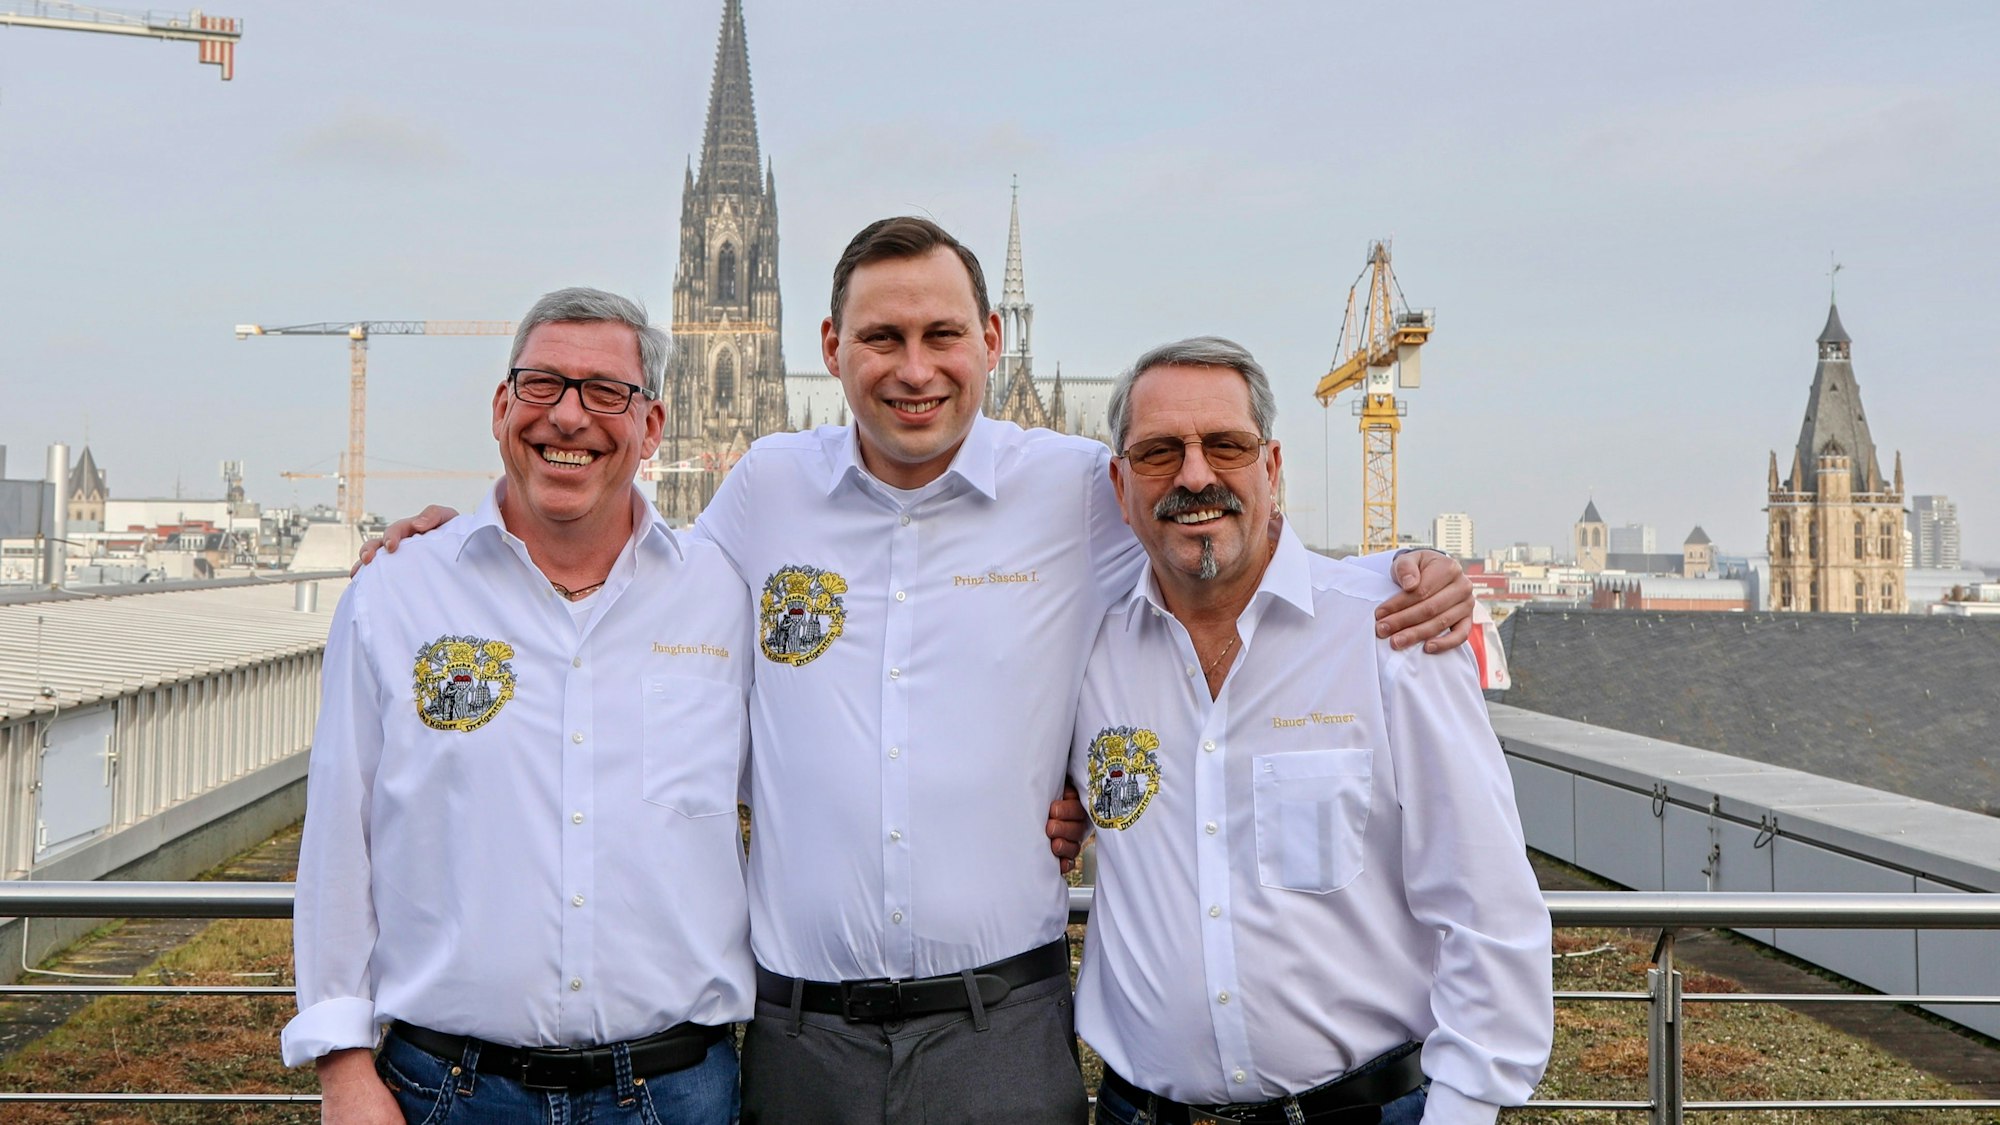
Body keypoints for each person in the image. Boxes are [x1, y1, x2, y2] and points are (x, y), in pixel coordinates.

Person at [366, 218, 1477, 1124]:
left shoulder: (1075, 487)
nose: (913, 368)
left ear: (991, 340)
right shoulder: (764, 489)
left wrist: (1398, 571)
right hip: (800, 1037)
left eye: (941, 333)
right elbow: (629, 589)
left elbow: (1210, 523)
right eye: (880, 336)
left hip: (999, 1028)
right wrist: (479, 537)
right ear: (828, 345)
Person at [285, 288, 753, 1124]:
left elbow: (830, 754)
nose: (569, 416)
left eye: (606, 391)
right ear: (502, 408)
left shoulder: (723, 592)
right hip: (445, 1091)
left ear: (652, 427)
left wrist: (1050, 801)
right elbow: (336, 842)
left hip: (677, 1092)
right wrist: (343, 1065)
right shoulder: (397, 593)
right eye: (542, 385)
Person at [1074, 337, 1552, 1125]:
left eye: (1225, 445)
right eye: (1160, 452)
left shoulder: (1389, 630)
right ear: (1119, 485)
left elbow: (1488, 908)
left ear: (1273, 464)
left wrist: (1463, 1111)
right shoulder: (1087, 648)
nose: (1195, 475)